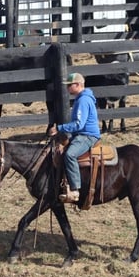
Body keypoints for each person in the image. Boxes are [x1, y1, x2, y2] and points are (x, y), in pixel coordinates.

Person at [50, 72, 101, 203]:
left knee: (70, 155)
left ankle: (75, 189)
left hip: (87, 136)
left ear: (77, 85)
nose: (67, 88)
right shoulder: (82, 99)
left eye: (69, 85)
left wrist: (59, 128)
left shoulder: (83, 100)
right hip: (82, 135)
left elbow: (79, 124)